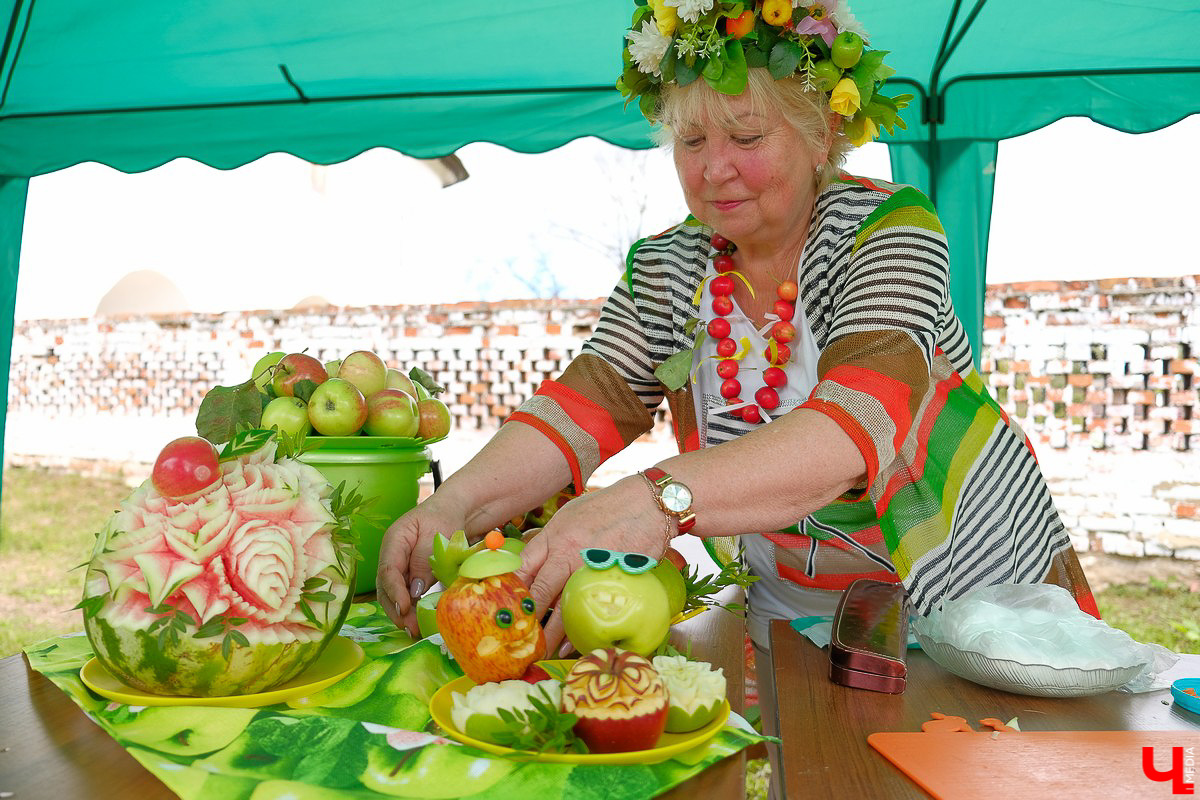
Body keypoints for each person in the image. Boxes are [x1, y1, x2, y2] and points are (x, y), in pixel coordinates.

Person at [379, 0, 1096, 680]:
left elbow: (855, 430)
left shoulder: (890, 231)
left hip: (959, 594)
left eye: (747, 137)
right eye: (691, 140)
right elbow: (582, 408)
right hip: (786, 603)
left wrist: (651, 502)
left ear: (821, 136)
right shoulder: (668, 266)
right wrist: (456, 507)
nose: (712, 168)